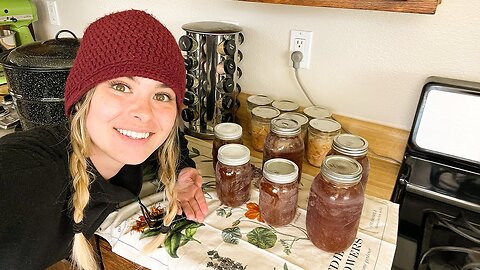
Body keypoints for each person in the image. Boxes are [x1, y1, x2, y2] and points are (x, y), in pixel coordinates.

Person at [0, 9, 208, 270]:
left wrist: (181, 170)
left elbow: (170, 137)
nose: (143, 113)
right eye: (121, 87)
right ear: (83, 97)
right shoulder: (21, 174)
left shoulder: (123, 148)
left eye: (162, 95)